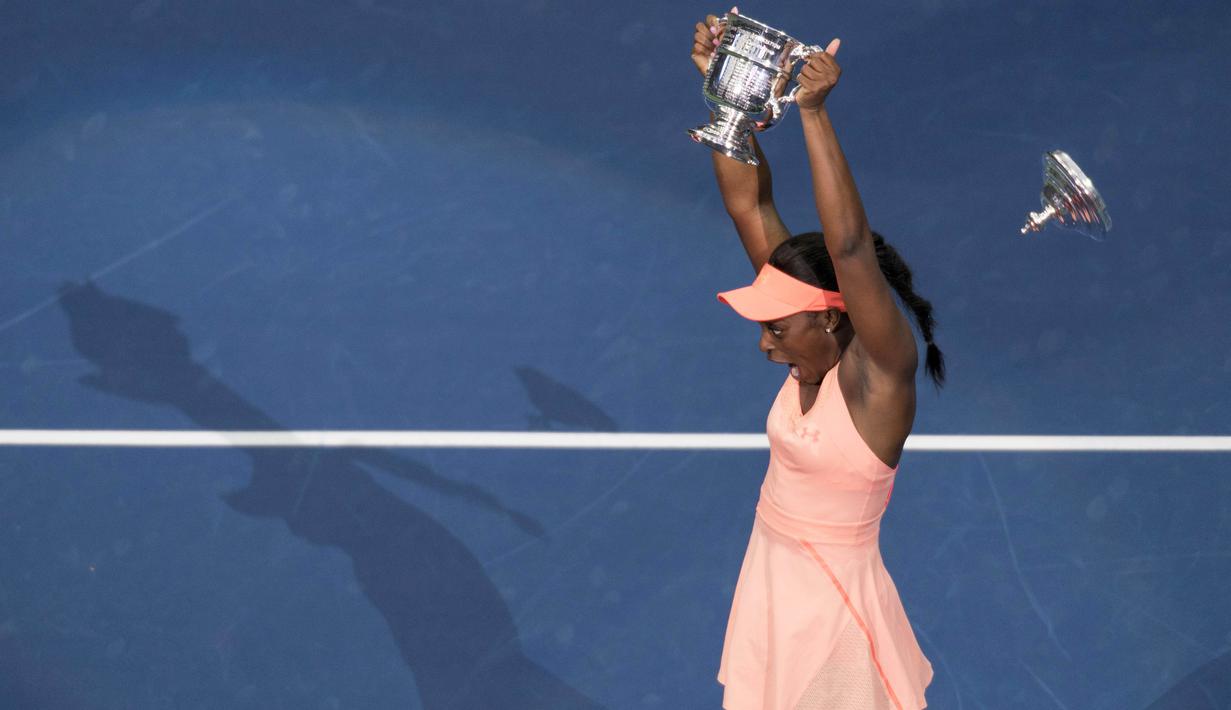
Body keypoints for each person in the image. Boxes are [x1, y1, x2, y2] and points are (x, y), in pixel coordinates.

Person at [692, 11, 944, 710]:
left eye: (777, 329)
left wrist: (811, 113)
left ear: (830, 315)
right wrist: (728, 100)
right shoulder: (810, 321)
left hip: (834, 620)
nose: (765, 344)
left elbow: (850, 248)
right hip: (772, 588)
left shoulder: (877, 378)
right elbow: (749, 205)